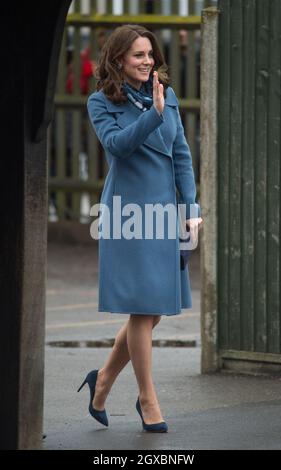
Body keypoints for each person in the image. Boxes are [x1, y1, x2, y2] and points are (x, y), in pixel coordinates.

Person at [79, 24, 203, 433]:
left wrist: (191, 208)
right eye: (138, 55)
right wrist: (152, 114)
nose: (147, 60)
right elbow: (117, 146)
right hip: (128, 215)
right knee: (144, 306)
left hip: (166, 212)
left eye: (150, 53)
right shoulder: (100, 103)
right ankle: (148, 398)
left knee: (153, 312)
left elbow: (181, 155)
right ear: (118, 60)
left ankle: (103, 381)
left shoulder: (167, 96)